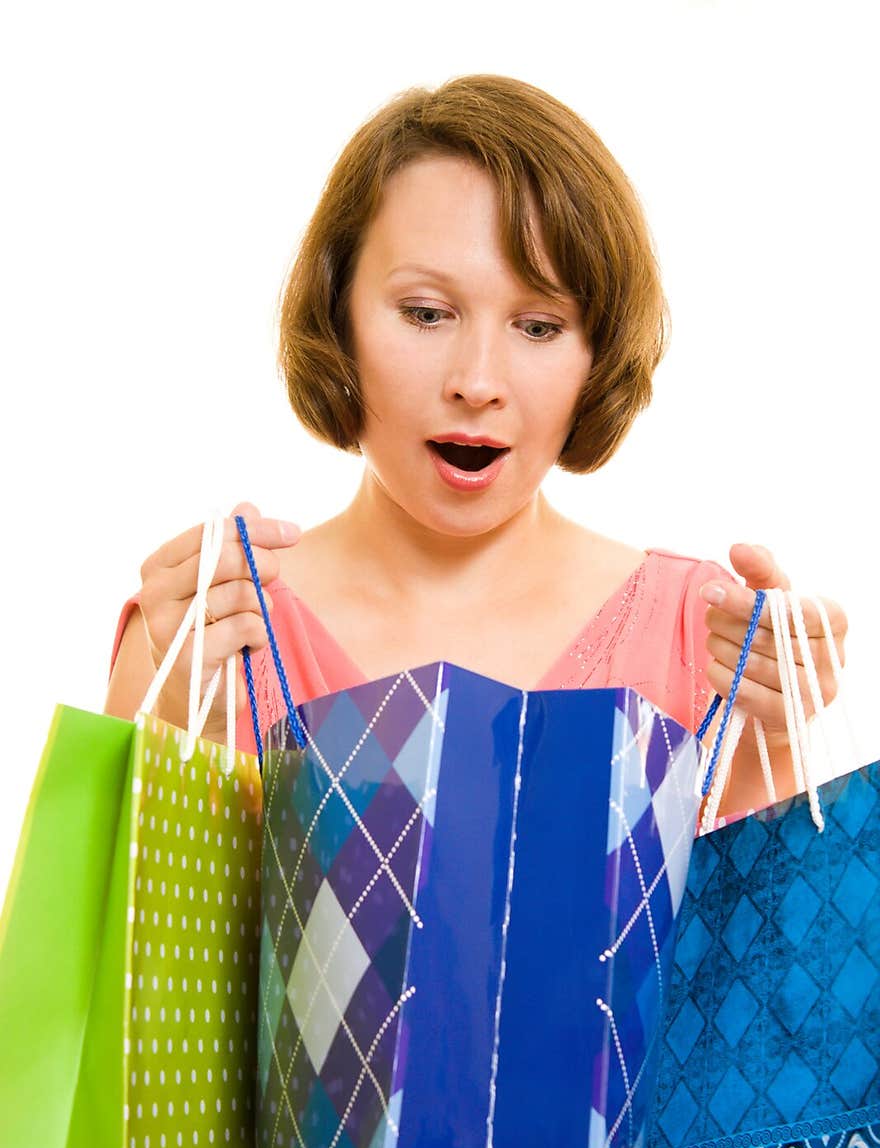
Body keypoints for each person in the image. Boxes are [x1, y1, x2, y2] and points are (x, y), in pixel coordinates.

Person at [104, 73, 847, 825]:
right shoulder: (210, 629)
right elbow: (96, 936)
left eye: (539, 326)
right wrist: (174, 720)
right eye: (426, 313)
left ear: (598, 354)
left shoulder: (703, 634)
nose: (478, 381)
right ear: (338, 318)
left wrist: (779, 733)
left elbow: (750, 938)